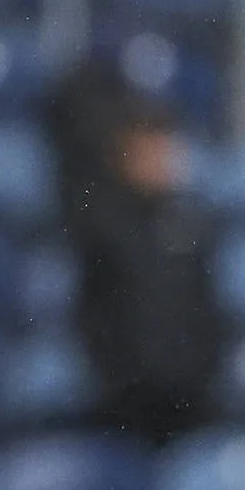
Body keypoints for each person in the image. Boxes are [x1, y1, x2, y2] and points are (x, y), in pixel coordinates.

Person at [66, 103, 226, 447]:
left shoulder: (192, 223)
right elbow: (93, 314)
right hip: (126, 402)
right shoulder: (104, 228)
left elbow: (207, 308)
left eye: (165, 149)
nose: (162, 161)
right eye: (148, 152)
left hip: (192, 396)